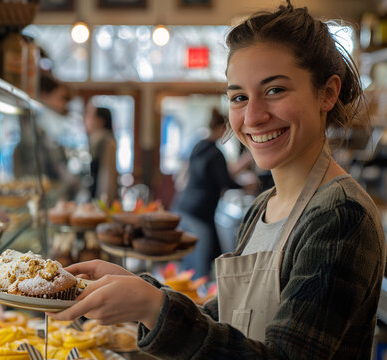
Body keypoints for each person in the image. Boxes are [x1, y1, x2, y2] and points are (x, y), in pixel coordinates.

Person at [49, 2, 387, 359]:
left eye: (274, 90)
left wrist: (153, 308)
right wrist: (140, 290)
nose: (253, 116)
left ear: (327, 93)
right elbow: (222, 320)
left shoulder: (340, 216)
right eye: (239, 97)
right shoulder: (263, 208)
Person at [172, 108, 253, 279]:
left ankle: (185, 295)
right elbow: (225, 182)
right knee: (201, 264)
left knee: (189, 261)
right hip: (200, 213)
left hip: (183, 207)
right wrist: (246, 187)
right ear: (220, 128)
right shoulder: (215, 153)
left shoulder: (199, 146)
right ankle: (194, 301)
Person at [83, 103, 119, 203]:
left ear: (100, 121)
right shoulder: (95, 141)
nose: (85, 119)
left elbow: (108, 177)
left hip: (101, 200)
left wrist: (103, 202)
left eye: (89, 115)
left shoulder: (107, 142)